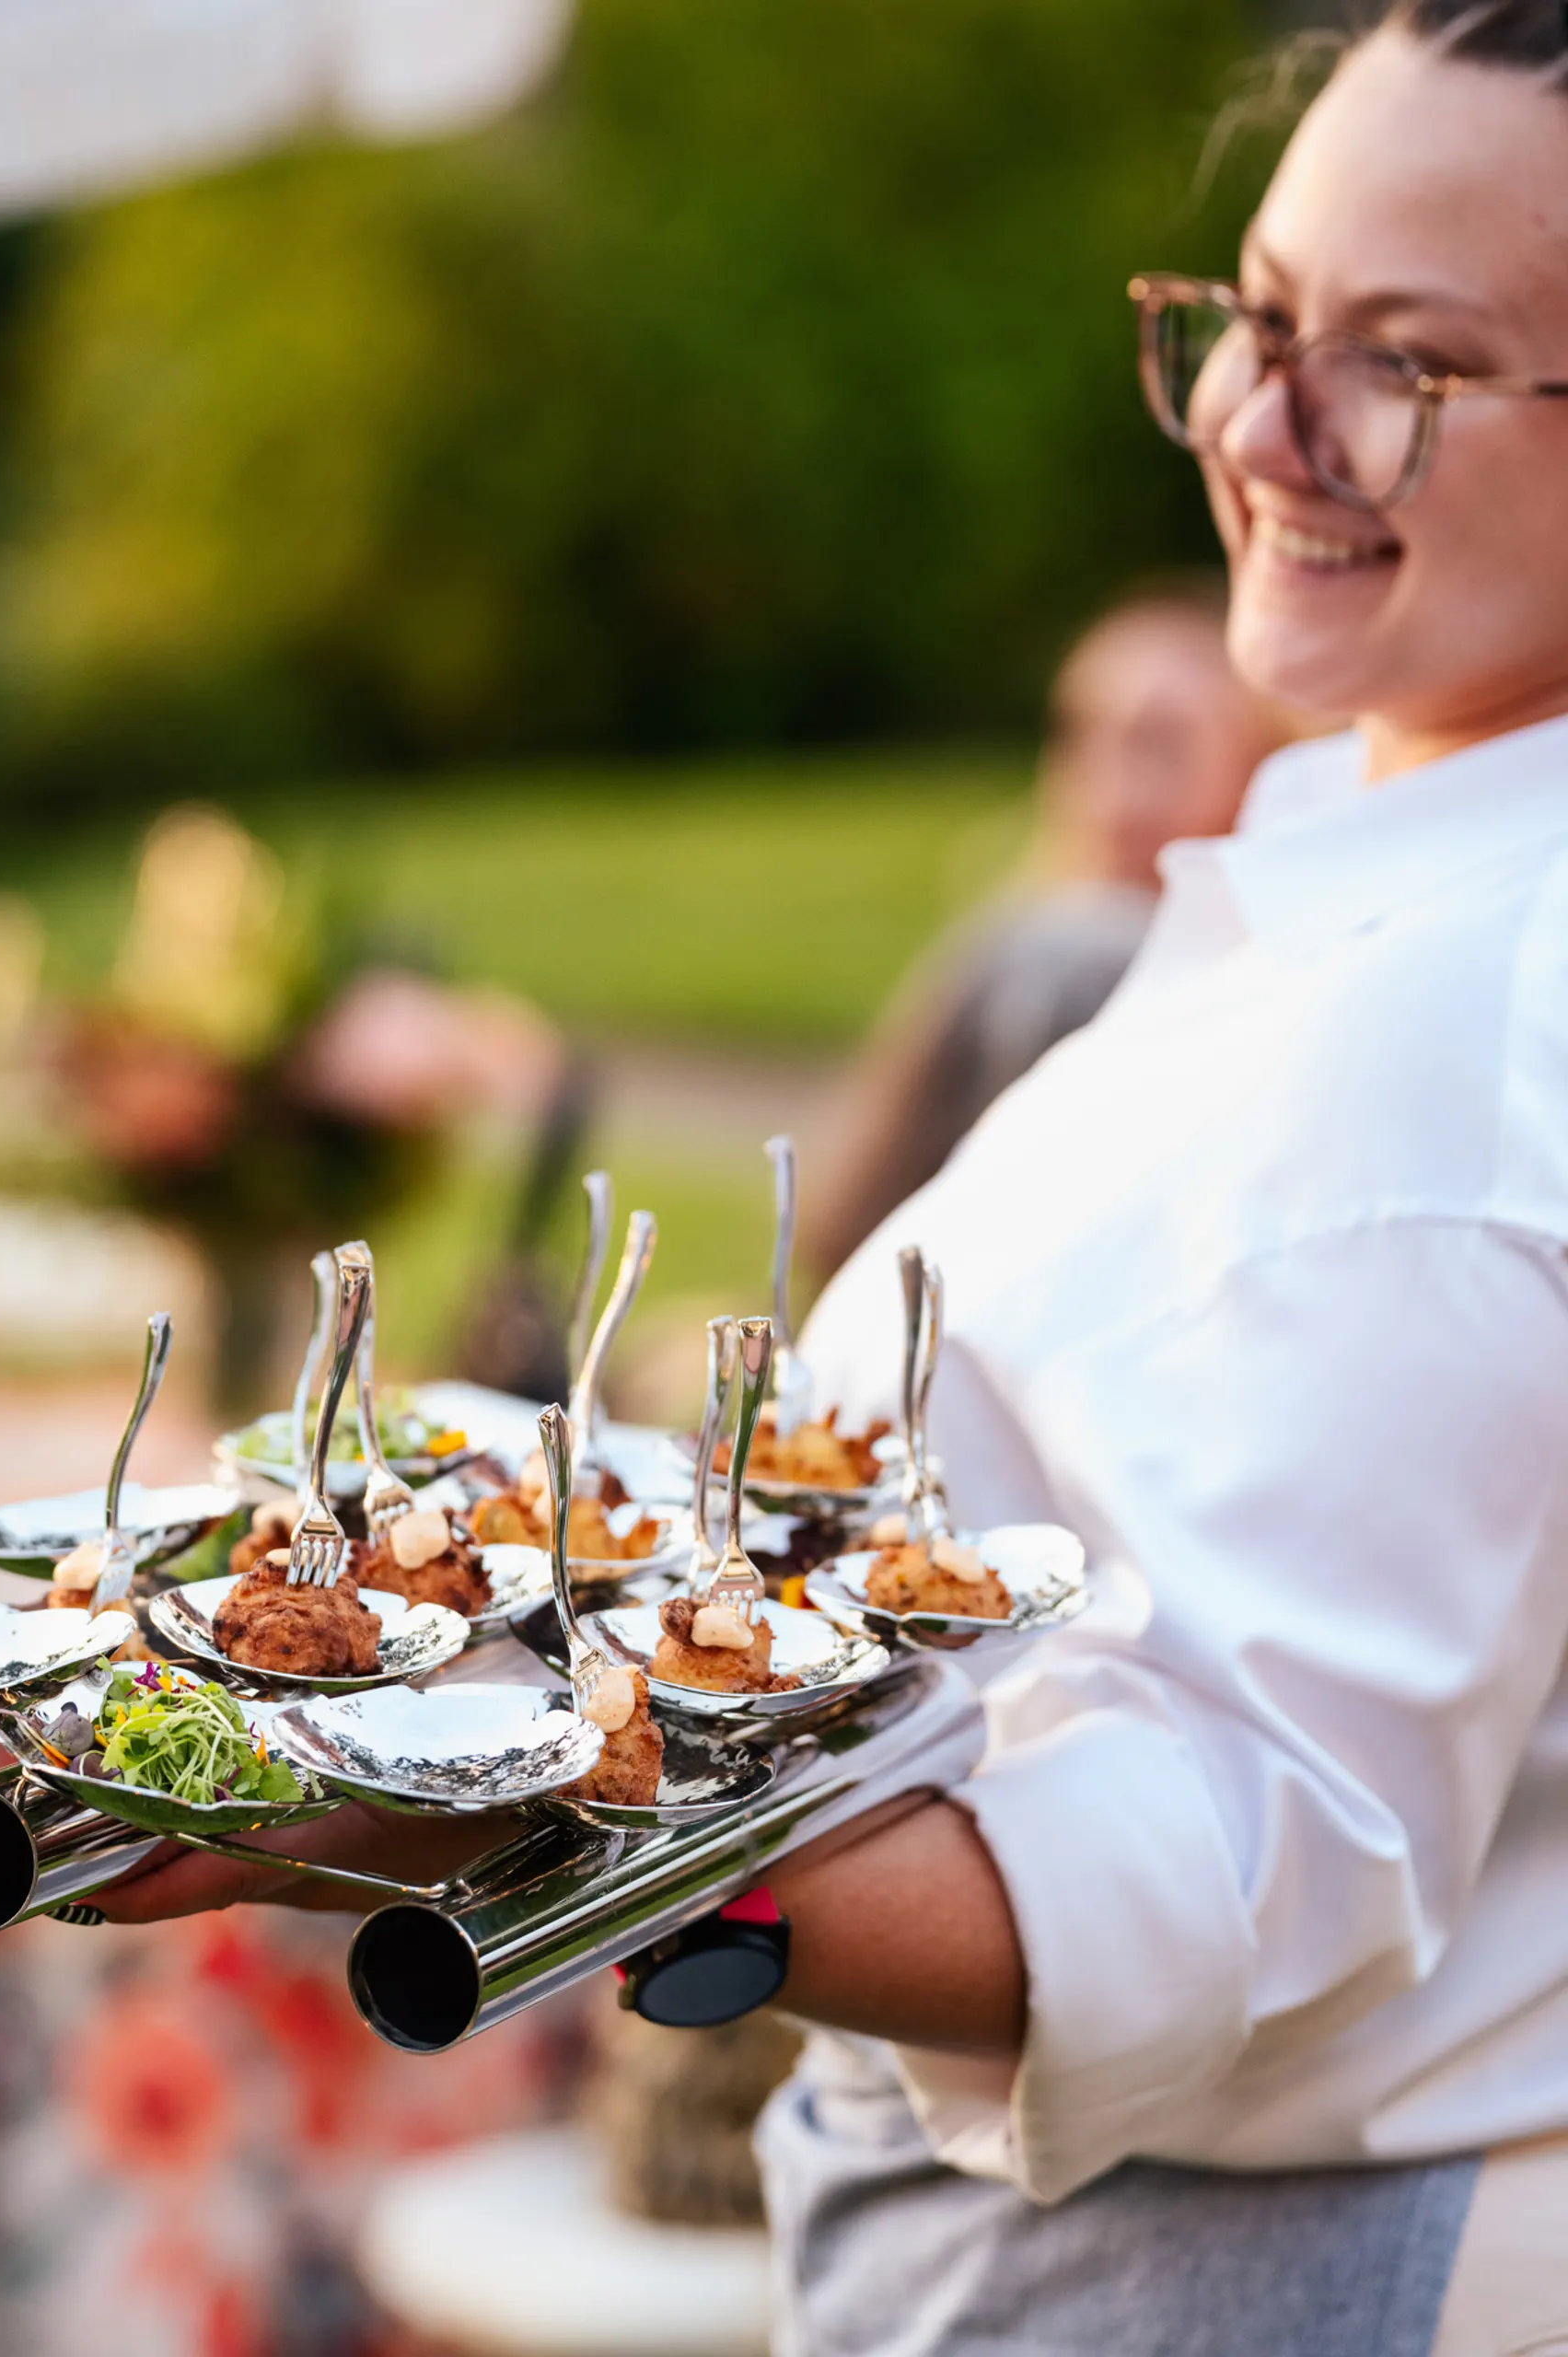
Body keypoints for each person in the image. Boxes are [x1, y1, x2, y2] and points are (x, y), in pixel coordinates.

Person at [97, 7, 1568, 2348]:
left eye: (1403, 361)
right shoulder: (1392, 853)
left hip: (1226, 2268)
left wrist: (503, 1808)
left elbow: (1217, 1856)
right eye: (1254, 315)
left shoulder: (1483, 1025)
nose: (1248, 423)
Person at [808, 585, 1290, 1278]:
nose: (1112, 790)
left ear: (1265, 762)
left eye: (1163, 746)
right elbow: (848, 1229)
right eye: (1083, 735)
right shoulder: (1016, 949)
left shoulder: (1248, 994)